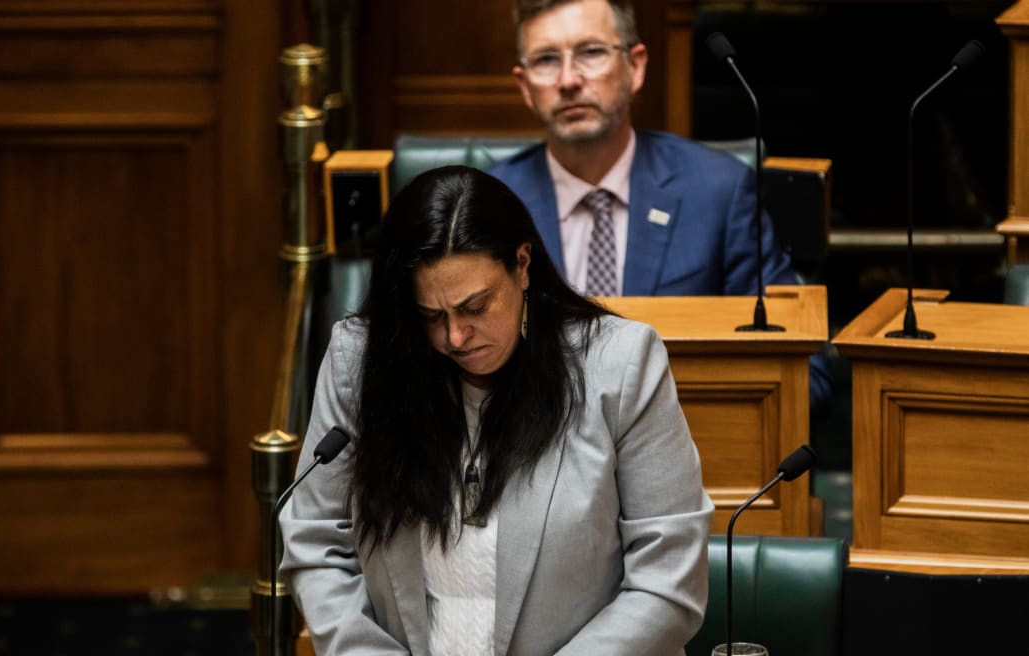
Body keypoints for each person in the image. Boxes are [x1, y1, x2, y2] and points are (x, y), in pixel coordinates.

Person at [279, 165, 713, 655]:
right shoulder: (361, 362)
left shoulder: (620, 364)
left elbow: (667, 582)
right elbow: (317, 544)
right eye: (431, 316)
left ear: (522, 265)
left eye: (475, 307)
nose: (454, 337)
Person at [489, 0, 832, 417]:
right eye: (546, 59)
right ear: (524, 86)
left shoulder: (718, 192)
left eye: (591, 52)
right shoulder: (493, 203)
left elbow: (804, 371)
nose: (568, 80)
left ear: (636, 67)